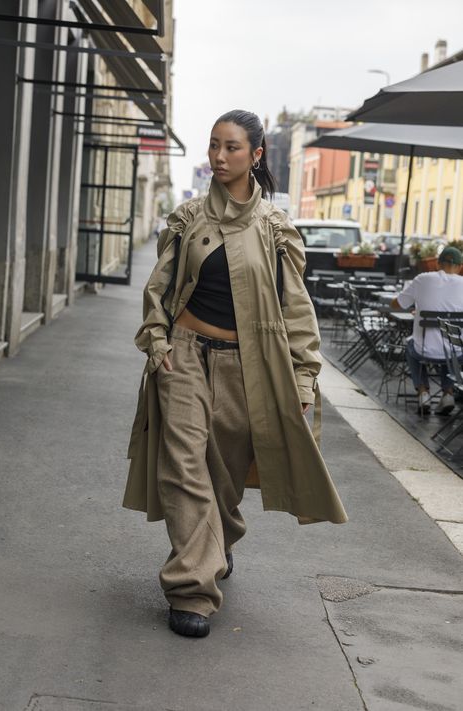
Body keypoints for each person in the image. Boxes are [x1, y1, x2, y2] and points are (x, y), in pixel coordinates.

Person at [123, 109, 348, 638]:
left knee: (222, 477)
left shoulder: (274, 229)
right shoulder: (189, 218)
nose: (219, 157)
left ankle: (218, 542)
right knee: (182, 466)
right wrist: (157, 343)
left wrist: (302, 380)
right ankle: (193, 590)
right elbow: (159, 288)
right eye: (213, 146)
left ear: (257, 155)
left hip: (246, 367)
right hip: (183, 355)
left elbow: (297, 311)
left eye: (231, 148)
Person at [391, 246, 463, 414]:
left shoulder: (422, 279)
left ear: (438, 264)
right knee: (449, 348)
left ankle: (423, 393)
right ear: (460, 267)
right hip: (457, 352)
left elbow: (397, 304)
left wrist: (421, 308)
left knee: (411, 346)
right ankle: (448, 394)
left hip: (423, 350)